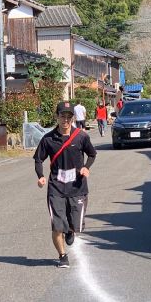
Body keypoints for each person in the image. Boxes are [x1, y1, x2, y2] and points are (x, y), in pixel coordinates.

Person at [34, 101, 97, 268]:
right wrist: (40, 176)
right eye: (63, 116)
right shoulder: (48, 139)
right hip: (56, 188)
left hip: (77, 187)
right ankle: (62, 255)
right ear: (57, 117)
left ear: (73, 118)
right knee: (57, 226)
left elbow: (92, 154)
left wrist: (86, 167)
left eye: (69, 117)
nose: (66, 120)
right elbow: (38, 159)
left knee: (75, 224)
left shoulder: (81, 136)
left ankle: (71, 231)